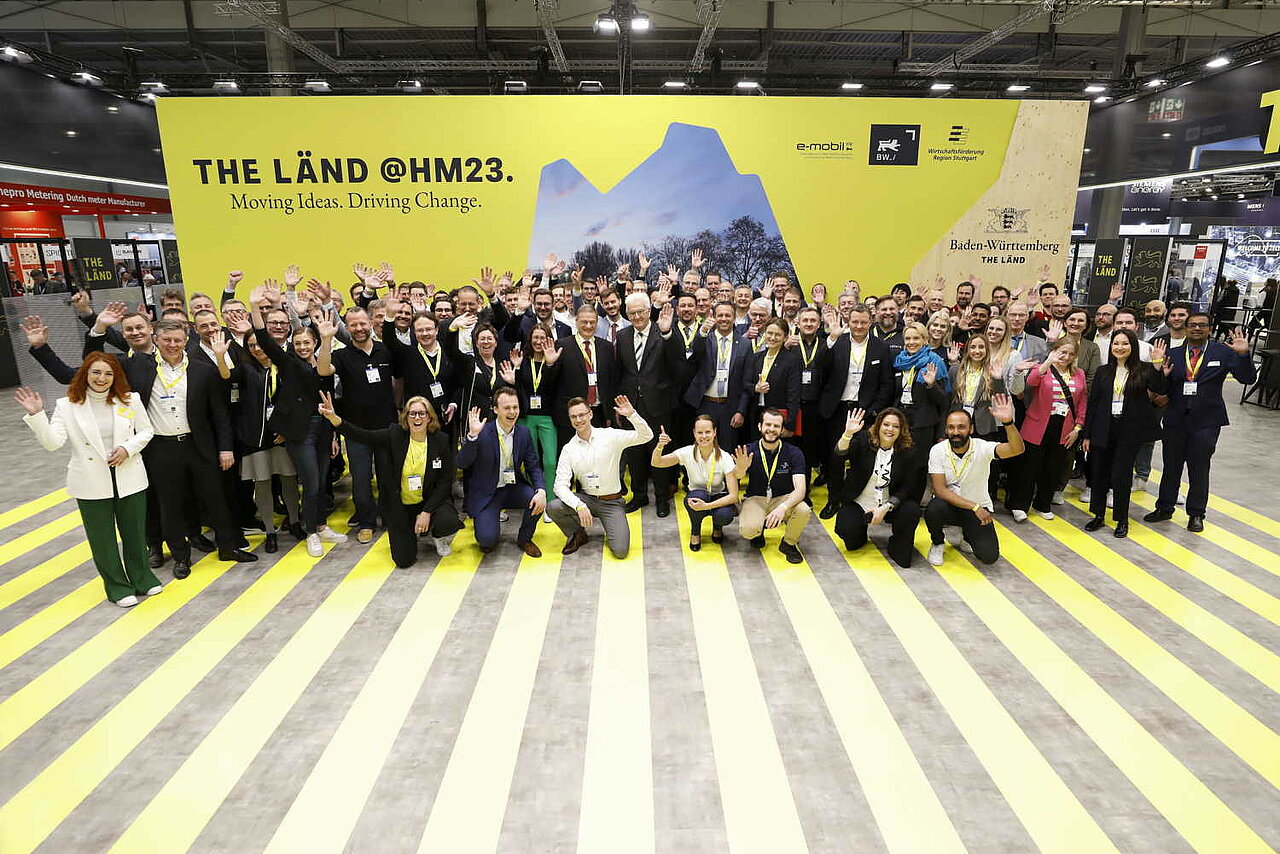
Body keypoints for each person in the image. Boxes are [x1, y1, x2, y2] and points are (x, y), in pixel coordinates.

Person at [88, 319, 257, 576]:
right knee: (170, 505)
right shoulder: (137, 368)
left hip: (199, 445)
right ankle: (181, 557)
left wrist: (225, 448)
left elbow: (219, 412)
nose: (172, 345)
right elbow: (92, 360)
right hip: (161, 448)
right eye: (167, 340)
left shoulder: (203, 369)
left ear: (185, 340)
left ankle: (228, 547)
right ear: (155, 339)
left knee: (217, 498)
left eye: (178, 340)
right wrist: (98, 327)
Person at [16, 354, 164, 606]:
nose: (101, 378)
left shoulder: (130, 399)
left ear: (116, 376)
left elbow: (147, 430)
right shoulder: (67, 405)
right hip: (90, 481)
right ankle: (117, 586)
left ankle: (143, 578)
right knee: (102, 540)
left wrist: (128, 448)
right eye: (96, 372)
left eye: (108, 373)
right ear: (85, 373)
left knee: (135, 534)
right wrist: (38, 415)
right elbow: (53, 443)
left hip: (129, 476)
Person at [318, 392, 461, 565]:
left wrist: (426, 512)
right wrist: (335, 418)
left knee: (448, 521)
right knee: (403, 560)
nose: (417, 418)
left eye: (422, 413)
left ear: (430, 418)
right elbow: (363, 435)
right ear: (406, 417)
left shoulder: (440, 441)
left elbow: (445, 482)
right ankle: (410, 531)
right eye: (412, 413)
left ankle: (437, 534)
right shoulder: (395, 435)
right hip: (401, 506)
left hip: (428, 502)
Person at [1144, 321, 1256, 532]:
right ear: (1185, 329)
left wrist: (1243, 355)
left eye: (1202, 325)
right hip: (1176, 418)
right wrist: (1157, 369)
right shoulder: (1174, 354)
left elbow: (1247, 378)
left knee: (1199, 468)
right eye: (1193, 325)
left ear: (1210, 329)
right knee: (1171, 466)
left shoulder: (1222, 352)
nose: (1197, 328)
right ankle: (1165, 507)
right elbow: (1159, 388)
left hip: (1206, 421)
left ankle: (1196, 514)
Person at [317, 306, 397, 544]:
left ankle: (390, 518)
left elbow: (400, 381)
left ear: (371, 322)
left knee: (388, 477)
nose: (359, 328)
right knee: (361, 480)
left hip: (387, 427)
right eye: (354, 325)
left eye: (363, 323)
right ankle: (366, 522)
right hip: (356, 430)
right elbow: (323, 369)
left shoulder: (385, 351)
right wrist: (325, 339)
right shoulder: (342, 355)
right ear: (347, 327)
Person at [224, 328, 304, 554]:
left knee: (289, 481)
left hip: (282, 436)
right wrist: (221, 356)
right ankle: (270, 531)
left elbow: (298, 401)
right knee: (263, 485)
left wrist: (287, 430)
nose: (257, 349)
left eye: (260, 344)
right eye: (251, 346)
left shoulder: (286, 366)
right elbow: (226, 376)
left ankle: (295, 521)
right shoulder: (247, 370)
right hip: (255, 439)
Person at [1083, 331, 1168, 537]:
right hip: (1104, 428)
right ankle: (1098, 515)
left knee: (1121, 476)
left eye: (1125, 344)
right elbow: (1093, 404)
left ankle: (1121, 519)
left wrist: (1157, 364)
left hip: (1129, 430)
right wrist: (1087, 434)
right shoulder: (1104, 371)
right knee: (1099, 473)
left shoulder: (1145, 370)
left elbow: (1159, 388)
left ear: (1133, 347)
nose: (1119, 347)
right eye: (1116, 343)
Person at [546, 395, 652, 557]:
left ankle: (611, 525)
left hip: (612, 502)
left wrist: (632, 415)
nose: (578, 419)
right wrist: (579, 505)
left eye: (582, 415)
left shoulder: (610, 436)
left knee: (621, 551)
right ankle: (577, 534)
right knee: (553, 507)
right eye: (574, 416)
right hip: (587, 500)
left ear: (590, 414)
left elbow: (646, 436)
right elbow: (559, 486)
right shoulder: (569, 449)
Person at [925, 396, 1024, 566]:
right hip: (955, 506)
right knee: (934, 508)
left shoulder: (982, 447)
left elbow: (1017, 449)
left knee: (989, 557)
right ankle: (938, 542)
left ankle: (967, 536)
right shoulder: (938, 450)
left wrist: (1008, 423)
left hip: (977, 510)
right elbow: (940, 490)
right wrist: (974, 507)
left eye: (961, 427)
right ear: (946, 430)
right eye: (951, 428)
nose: (955, 432)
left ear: (971, 429)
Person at [830, 407, 924, 568]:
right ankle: (860, 533)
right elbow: (838, 457)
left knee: (911, 511)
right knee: (847, 532)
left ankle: (897, 542)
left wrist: (887, 506)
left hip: (890, 504)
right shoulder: (862, 441)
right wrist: (847, 435)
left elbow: (908, 486)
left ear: (902, 430)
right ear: (878, 425)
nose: (890, 429)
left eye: (896, 426)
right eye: (886, 424)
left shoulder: (909, 451)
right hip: (861, 502)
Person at [457, 386, 547, 555]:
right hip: (487, 493)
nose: (512, 412)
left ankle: (525, 539)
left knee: (538, 500)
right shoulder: (482, 432)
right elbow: (461, 463)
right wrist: (472, 437)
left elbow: (533, 465)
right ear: (495, 409)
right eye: (506, 408)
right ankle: (488, 529)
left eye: (515, 407)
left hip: (512, 488)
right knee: (487, 540)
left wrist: (541, 489)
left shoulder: (523, 432)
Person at [617, 296, 684, 516]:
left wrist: (667, 334)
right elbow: (620, 372)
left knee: (659, 452)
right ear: (627, 313)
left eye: (640, 312)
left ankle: (662, 497)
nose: (636, 316)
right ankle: (639, 495)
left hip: (658, 406)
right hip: (631, 407)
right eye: (632, 312)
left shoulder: (662, 332)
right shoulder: (622, 336)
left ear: (649, 311)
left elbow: (677, 359)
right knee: (634, 454)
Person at [1007, 340, 1087, 522]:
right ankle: (1019, 505)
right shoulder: (1042, 369)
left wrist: (1078, 427)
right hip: (1037, 425)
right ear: (1054, 351)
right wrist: (1048, 362)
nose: (1065, 357)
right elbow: (1031, 382)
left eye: (1070, 354)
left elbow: (1082, 402)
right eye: (1062, 352)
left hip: (1064, 427)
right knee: (1029, 467)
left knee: (1053, 467)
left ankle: (1043, 503)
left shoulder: (1079, 374)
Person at [732, 408, 811, 564]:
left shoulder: (794, 453)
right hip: (756, 497)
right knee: (748, 531)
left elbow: (800, 490)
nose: (772, 429)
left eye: (776, 426)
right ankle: (758, 530)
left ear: (782, 430)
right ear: (760, 426)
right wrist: (741, 468)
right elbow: (737, 478)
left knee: (804, 510)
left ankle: (788, 543)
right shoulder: (748, 450)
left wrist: (782, 508)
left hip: (783, 498)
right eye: (768, 424)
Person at [650, 415, 739, 550]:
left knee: (725, 515)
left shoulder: (724, 457)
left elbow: (733, 496)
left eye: (708, 432)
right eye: (700, 432)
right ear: (694, 433)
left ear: (714, 432)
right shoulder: (687, 452)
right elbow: (657, 463)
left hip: (718, 496)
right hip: (698, 495)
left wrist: (707, 506)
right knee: (695, 498)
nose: (704, 436)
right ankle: (695, 531)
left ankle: (718, 527)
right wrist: (659, 446)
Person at [502, 323, 562, 509]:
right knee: (532, 461)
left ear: (548, 339)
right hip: (527, 417)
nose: (538, 341)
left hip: (547, 417)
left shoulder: (554, 359)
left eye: (542, 338)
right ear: (530, 339)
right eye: (535, 338)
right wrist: (516, 372)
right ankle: (537, 497)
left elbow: (554, 386)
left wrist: (551, 364)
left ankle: (551, 501)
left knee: (551, 461)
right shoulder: (523, 361)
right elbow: (520, 390)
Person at [686, 301, 751, 451]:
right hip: (706, 404)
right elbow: (695, 354)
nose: (723, 319)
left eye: (728, 315)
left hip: (731, 406)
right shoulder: (704, 339)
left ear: (734, 318)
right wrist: (702, 331)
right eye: (720, 315)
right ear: (713, 317)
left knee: (728, 450)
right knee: (703, 449)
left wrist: (741, 410)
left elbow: (747, 382)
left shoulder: (745, 344)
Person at [553, 304, 619, 447]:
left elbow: (611, 382)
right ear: (576, 321)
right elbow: (553, 381)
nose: (588, 326)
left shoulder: (606, 347)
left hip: (598, 413)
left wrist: (609, 414)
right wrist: (550, 364)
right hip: (571, 417)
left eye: (592, 322)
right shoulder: (562, 345)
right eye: (584, 322)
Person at [891, 322, 951, 444]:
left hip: (924, 422)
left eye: (916, 338)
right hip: (900, 418)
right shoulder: (900, 361)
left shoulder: (934, 361)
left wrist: (931, 385)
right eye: (907, 338)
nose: (911, 342)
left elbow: (944, 401)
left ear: (925, 340)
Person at [745, 317, 802, 437]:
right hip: (756, 415)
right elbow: (745, 383)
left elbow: (794, 395)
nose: (772, 337)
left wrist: (789, 425)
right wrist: (756, 388)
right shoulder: (756, 357)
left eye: (777, 334)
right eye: (769, 333)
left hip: (778, 418)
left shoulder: (791, 361)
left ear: (785, 337)